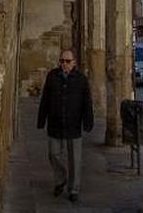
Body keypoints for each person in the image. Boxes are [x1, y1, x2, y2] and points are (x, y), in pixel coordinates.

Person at [37, 49, 94, 203]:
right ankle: (60, 179)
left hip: (73, 124)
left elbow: (87, 102)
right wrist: (41, 119)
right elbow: (45, 99)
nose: (64, 64)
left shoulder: (81, 79)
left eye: (67, 61)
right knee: (53, 154)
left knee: (75, 159)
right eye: (61, 61)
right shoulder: (52, 76)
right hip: (55, 123)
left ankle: (73, 188)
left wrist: (88, 121)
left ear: (74, 62)